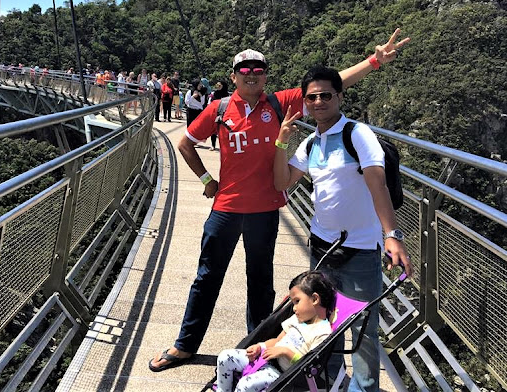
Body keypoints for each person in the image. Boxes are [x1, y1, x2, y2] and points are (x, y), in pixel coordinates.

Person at [149, 29, 409, 373]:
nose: (252, 75)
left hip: (265, 211)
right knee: (207, 276)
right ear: (234, 77)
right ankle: (185, 345)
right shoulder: (220, 108)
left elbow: (329, 86)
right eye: (245, 71)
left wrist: (374, 61)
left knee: (261, 282)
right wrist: (206, 179)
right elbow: (185, 143)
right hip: (225, 208)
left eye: (258, 70)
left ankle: (256, 350)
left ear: (265, 76)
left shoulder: (280, 103)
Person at [272, 65, 413, 392]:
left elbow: (378, 184)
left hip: (361, 250)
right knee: (324, 323)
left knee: (363, 330)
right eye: (312, 97)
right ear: (305, 102)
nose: (319, 102)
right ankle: (332, 382)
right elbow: (282, 183)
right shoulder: (311, 144)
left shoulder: (357, 134)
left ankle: (364, 388)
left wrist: (391, 235)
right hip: (322, 248)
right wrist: (281, 142)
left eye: (326, 96)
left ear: (339, 96)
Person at [215, 271, 336, 392]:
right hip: (266, 359)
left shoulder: (322, 333)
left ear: (315, 299)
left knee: (245, 385)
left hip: (281, 375)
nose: (294, 308)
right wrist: (260, 346)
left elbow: (308, 365)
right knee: (225, 357)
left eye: (297, 301)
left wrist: (285, 352)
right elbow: (278, 340)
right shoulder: (298, 319)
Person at [208, 80, 230, 151]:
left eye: (219, 86)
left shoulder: (226, 95)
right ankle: (213, 145)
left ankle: (224, 146)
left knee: (223, 131)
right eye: (217, 85)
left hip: (224, 114)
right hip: (215, 113)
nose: (217, 87)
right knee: (213, 130)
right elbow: (211, 103)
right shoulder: (214, 94)